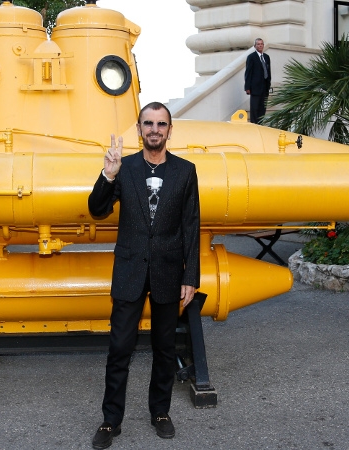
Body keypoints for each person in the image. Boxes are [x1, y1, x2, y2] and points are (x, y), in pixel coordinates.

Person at [88, 102, 201, 449]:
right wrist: (108, 175)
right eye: (148, 123)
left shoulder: (185, 171)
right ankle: (110, 421)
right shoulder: (125, 168)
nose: (155, 129)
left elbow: (190, 226)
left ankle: (160, 413)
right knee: (119, 347)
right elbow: (97, 209)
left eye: (161, 124)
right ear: (139, 129)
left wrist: (190, 276)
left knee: (165, 348)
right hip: (130, 269)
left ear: (169, 130)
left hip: (169, 272)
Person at [244, 37, 272, 124]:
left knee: (262, 109)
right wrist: (247, 87)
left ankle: (260, 125)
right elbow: (248, 73)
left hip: (264, 88)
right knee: (255, 109)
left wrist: (269, 84)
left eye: (261, 44)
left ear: (263, 45)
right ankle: (254, 126)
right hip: (255, 88)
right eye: (258, 44)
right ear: (255, 46)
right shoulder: (251, 57)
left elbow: (268, 71)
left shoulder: (266, 57)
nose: (260, 46)